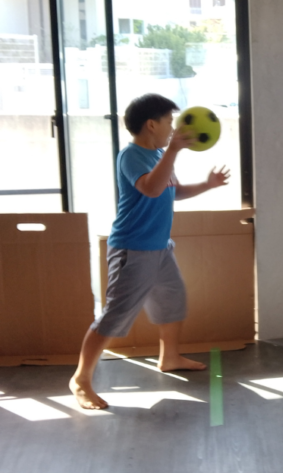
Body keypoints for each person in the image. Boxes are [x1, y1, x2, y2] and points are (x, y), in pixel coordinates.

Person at [69, 93, 229, 410]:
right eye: (169, 121)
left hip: (160, 248)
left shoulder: (158, 155)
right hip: (133, 250)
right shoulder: (131, 156)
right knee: (114, 316)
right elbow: (151, 188)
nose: (174, 128)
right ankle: (81, 379)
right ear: (151, 125)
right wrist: (173, 151)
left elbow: (173, 191)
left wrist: (207, 185)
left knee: (173, 300)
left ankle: (169, 357)